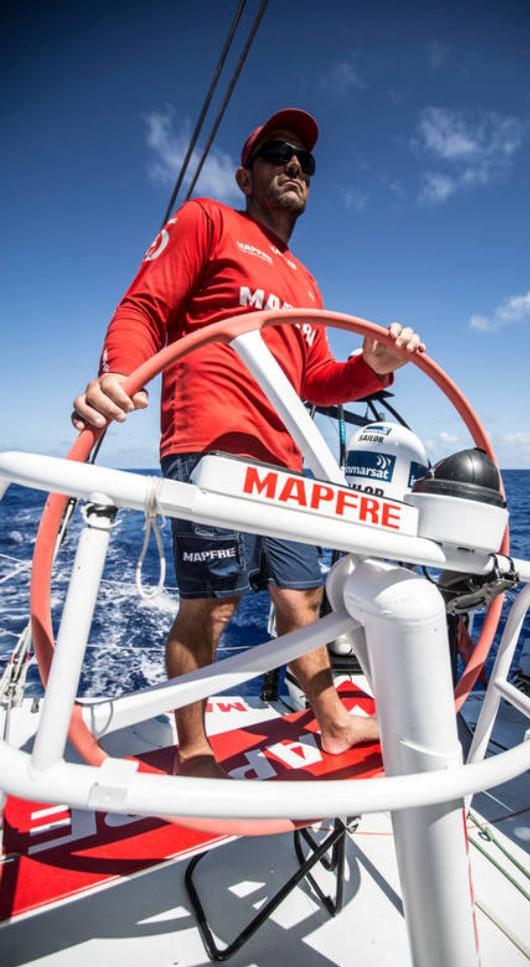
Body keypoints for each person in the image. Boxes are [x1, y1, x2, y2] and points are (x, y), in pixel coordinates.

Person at [72, 107, 425, 777]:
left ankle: (335, 724)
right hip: (211, 449)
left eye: (305, 161)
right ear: (246, 173)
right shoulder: (209, 221)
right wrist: (119, 371)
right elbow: (144, 307)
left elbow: (316, 382)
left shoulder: (306, 281)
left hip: (285, 465)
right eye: (278, 153)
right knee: (213, 605)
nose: (294, 164)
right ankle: (195, 750)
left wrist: (373, 365)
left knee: (303, 602)